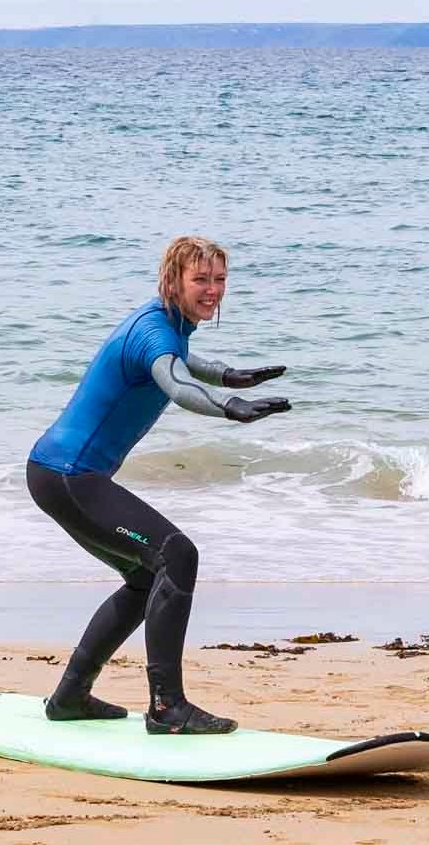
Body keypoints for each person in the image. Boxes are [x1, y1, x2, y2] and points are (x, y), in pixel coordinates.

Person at [26, 236, 289, 735]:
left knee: (146, 576)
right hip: (69, 476)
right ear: (173, 281)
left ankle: (70, 698)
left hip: (56, 474)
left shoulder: (166, 323)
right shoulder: (155, 332)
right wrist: (229, 407)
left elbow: (184, 361)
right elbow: (174, 380)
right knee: (177, 555)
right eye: (201, 280)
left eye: (219, 279)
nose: (212, 290)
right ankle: (167, 707)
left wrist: (232, 377)